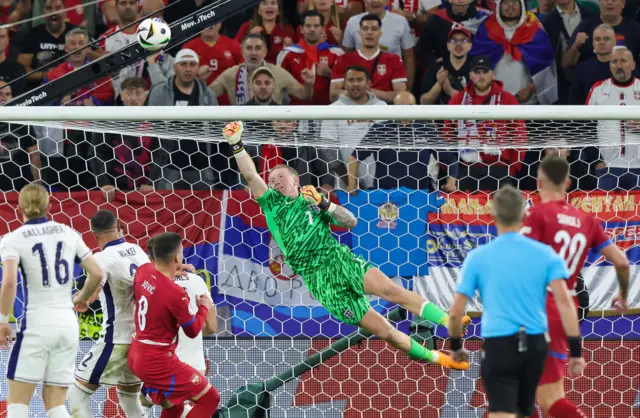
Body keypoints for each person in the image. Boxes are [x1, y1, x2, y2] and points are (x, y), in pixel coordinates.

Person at [222, 120, 471, 370]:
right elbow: (250, 175)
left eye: (279, 177)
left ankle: (449, 321)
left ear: (296, 181)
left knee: (393, 291)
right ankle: (437, 358)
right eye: (271, 178)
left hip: (339, 259)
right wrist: (236, 144)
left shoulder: (314, 200)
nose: (273, 181)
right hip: (320, 280)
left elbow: (350, 221)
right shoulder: (271, 204)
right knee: (384, 330)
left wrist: (324, 204)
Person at [448, 184, 585, 418]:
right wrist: (575, 351)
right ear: (524, 215)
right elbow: (565, 303)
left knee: (503, 411)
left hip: (499, 343)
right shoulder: (545, 254)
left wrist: (456, 347)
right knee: (525, 408)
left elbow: (455, 312)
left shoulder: (478, 257)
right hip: (535, 344)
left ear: (493, 215)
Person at [522, 155, 630, 418]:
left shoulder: (536, 215)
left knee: (512, 394)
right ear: (569, 182)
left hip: (533, 306)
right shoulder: (587, 221)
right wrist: (622, 294)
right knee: (548, 398)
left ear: (538, 181)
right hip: (566, 307)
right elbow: (622, 263)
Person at [0, 183, 104, 418]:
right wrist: (83, 297)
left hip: (37, 324)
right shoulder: (68, 233)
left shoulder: (12, 239)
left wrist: (2, 321)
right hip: (67, 325)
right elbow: (97, 273)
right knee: (56, 406)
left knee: (17, 404)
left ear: (20, 207)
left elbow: (8, 282)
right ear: (48, 204)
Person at [67, 210, 149, 418]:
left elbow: (93, 291)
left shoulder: (100, 259)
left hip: (115, 339)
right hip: (139, 337)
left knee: (76, 394)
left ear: (93, 234)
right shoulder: (137, 250)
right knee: (129, 397)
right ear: (119, 225)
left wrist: (80, 298)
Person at [128, 232, 219, 418]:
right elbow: (193, 331)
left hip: (137, 354)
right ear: (177, 256)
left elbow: (156, 277)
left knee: (174, 407)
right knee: (210, 399)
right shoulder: (176, 294)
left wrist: (171, 272)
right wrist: (203, 308)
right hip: (158, 361)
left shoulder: (143, 271)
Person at [443, 55, 527, 192]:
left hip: (500, 169)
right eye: (477, 72)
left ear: (492, 74)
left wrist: (512, 169)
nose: (481, 76)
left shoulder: (508, 99)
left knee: (500, 213)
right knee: (465, 213)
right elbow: (447, 136)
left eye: (485, 71)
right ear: (470, 75)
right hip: (467, 168)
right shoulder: (458, 100)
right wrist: (452, 171)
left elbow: (519, 136)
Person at [470, 0, 558, 105]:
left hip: (527, 103)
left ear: (522, 5)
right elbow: (475, 65)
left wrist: (531, 89)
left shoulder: (534, 29)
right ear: (499, 6)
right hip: (491, 103)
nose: (510, 6)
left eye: (515, 2)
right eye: (506, 2)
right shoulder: (486, 27)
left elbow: (547, 69)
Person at [586, 47, 640, 191]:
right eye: (614, 61)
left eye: (623, 61)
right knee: (606, 211)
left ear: (633, 65)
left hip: (638, 166)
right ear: (610, 65)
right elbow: (586, 128)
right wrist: (595, 160)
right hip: (608, 166)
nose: (619, 65)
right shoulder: (598, 90)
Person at [211, 33, 315, 105]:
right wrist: (201, 80)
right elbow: (206, 95)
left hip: (271, 131)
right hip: (241, 130)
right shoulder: (230, 74)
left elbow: (304, 95)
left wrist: (308, 84)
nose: (253, 52)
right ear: (242, 52)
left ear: (265, 52)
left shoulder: (278, 73)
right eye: (249, 48)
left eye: (258, 48)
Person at [331, 13, 408, 103]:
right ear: (360, 33)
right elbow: (333, 94)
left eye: (374, 29)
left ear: (380, 33)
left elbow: (401, 95)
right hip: (351, 113)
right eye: (365, 29)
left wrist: (367, 92)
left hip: (382, 113)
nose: (369, 32)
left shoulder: (394, 60)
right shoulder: (343, 60)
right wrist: (362, 92)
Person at [342, 0, 416, 89]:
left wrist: (408, 87)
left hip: (393, 85)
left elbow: (409, 57)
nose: (375, 1)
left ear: (387, 1)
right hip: (360, 86)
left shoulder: (400, 21)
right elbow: (347, 56)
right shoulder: (353, 22)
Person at [278, 10, 344, 105]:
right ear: (301, 29)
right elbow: (279, 85)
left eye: (316, 26)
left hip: (328, 111)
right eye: (308, 26)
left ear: (322, 29)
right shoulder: (288, 53)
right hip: (295, 110)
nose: (312, 29)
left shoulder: (336, 53)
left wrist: (330, 73)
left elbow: (348, 84)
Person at [420, 27, 473, 105]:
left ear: (470, 46)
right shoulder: (437, 67)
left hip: (467, 116)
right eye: (453, 40)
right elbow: (424, 102)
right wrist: (439, 84)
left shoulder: (476, 68)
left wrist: (450, 91)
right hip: (440, 115)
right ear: (448, 45)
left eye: (464, 40)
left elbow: (479, 102)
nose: (458, 44)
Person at [234, 0, 296, 64]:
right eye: (264, 3)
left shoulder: (287, 30)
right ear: (258, 10)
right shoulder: (247, 27)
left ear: (279, 11)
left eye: (273, 3)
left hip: (278, 71)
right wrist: (250, 39)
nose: (269, 6)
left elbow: (295, 59)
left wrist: (290, 49)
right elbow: (235, 51)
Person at [568, 24, 617, 105]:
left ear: (615, 42)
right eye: (597, 39)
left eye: (606, 39)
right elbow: (574, 101)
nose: (601, 42)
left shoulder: (625, 67)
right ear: (593, 43)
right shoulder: (582, 69)